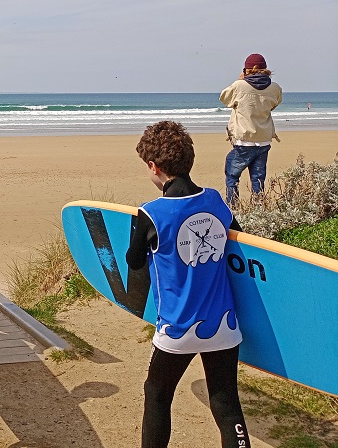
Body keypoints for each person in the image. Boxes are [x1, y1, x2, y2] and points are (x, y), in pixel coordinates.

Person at [126, 121, 250, 448]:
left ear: (154, 167)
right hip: (224, 324)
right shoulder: (215, 201)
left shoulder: (151, 213)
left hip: (178, 329)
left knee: (157, 395)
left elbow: (134, 261)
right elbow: (236, 240)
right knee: (225, 402)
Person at [220, 53, 283, 204]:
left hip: (244, 140)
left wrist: (240, 80)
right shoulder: (275, 88)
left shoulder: (239, 86)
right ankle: (258, 208)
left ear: (247, 70)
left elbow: (224, 98)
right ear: (265, 69)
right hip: (263, 139)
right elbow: (274, 104)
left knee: (232, 174)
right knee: (258, 179)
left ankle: (233, 206)